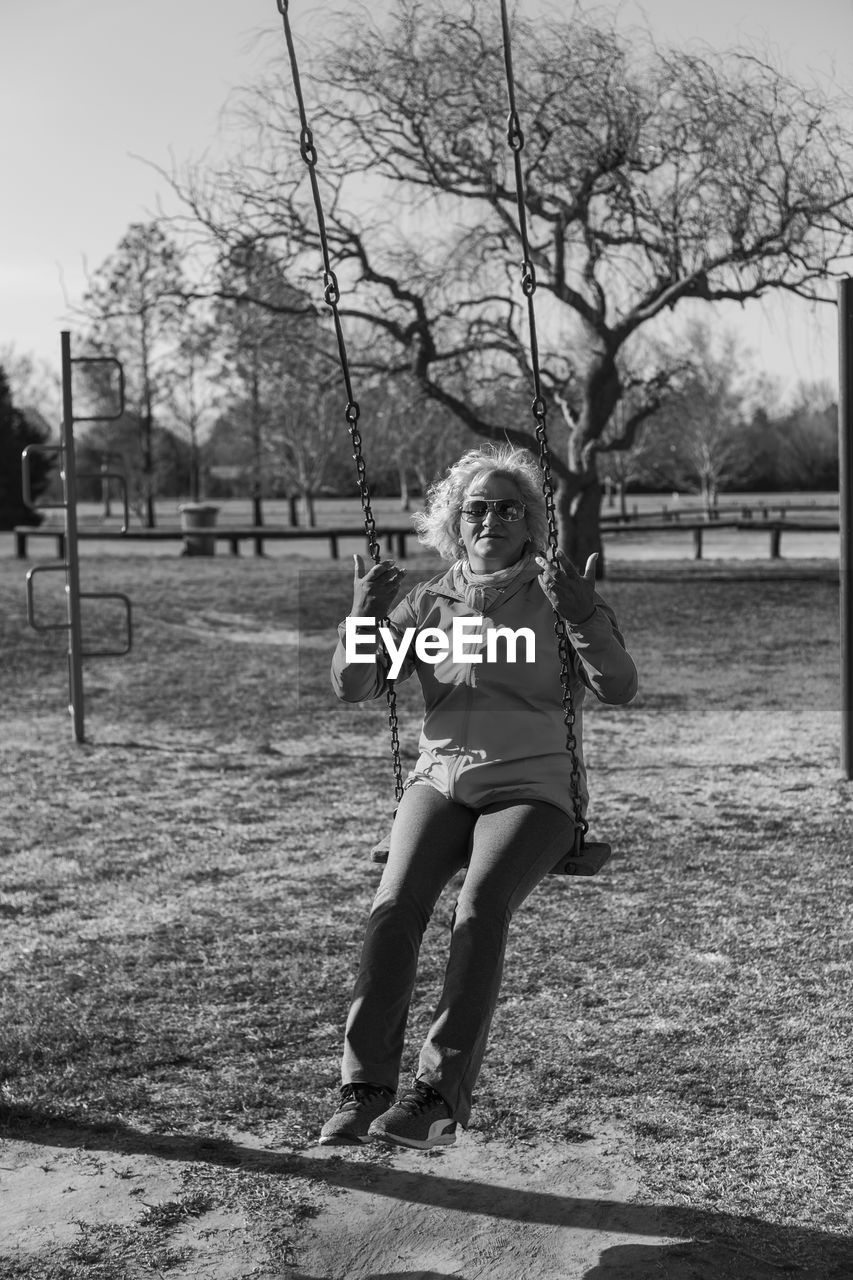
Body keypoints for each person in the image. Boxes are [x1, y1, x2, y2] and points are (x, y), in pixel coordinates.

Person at [320, 444, 637, 1150]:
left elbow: (618, 685)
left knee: (479, 908)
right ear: (453, 525)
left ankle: (436, 1098)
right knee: (392, 910)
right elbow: (356, 686)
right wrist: (363, 617)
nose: (491, 518)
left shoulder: (557, 596)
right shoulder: (426, 604)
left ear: (531, 524)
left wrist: (583, 617)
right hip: (440, 783)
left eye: (508, 507)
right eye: (476, 508)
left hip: (532, 790)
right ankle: (363, 1088)